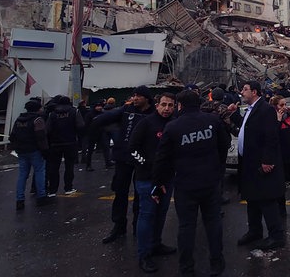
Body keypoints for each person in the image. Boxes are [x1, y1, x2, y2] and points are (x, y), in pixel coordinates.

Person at [151, 90, 230, 276]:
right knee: (213, 223)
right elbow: (224, 145)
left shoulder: (173, 127)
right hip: (210, 182)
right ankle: (216, 262)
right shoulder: (212, 121)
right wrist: (217, 168)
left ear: (180, 105)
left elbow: (162, 158)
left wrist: (158, 182)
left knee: (186, 227)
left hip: (186, 184)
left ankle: (186, 267)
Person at [91, 85, 155, 244]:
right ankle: (118, 226)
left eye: (138, 96)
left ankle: (137, 227)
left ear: (146, 98)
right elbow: (103, 119)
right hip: (123, 157)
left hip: (142, 160)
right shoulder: (126, 110)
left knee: (141, 194)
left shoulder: (153, 113)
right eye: (134, 96)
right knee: (120, 192)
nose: (134, 98)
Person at [128, 92, 177, 273]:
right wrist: (148, 165)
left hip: (167, 178)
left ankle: (156, 244)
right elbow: (132, 148)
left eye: (170, 105)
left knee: (161, 213)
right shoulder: (146, 123)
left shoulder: (174, 124)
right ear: (156, 105)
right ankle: (144, 255)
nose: (166, 109)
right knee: (147, 216)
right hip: (147, 179)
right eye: (163, 104)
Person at [237, 81, 286, 250]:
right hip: (249, 162)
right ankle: (254, 231)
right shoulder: (250, 110)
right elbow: (247, 130)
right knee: (252, 198)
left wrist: (267, 161)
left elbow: (271, 137)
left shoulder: (265, 110)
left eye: (245, 89)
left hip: (261, 163)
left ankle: (276, 235)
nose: (242, 92)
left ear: (255, 92)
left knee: (266, 200)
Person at [9, 99, 51, 209]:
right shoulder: (37, 120)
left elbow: (12, 135)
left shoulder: (19, 119)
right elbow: (41, 137)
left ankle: (20, 199)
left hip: (21, 150)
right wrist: (45, 150)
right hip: (34, 150)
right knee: (39, 172)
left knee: (22, 175)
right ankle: (41, 196)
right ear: (37, 109)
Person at [46, 96, 84, 196]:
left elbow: (48, 129)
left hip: (55, 143)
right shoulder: (74, 111)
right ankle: (68, 187)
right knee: (69, 166)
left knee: (54, 167)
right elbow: (80, 125)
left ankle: (52, 189)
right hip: (70, 142)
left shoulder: (53, 114)